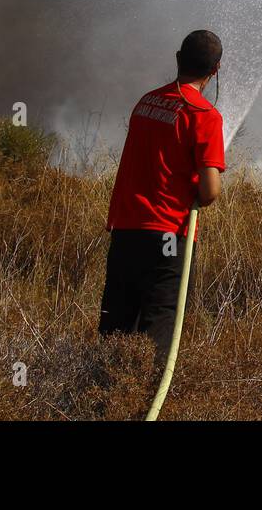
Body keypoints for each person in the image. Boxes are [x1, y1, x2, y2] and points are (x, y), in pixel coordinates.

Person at [98, 30, 225, 356]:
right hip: (168, 236)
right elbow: (210, 192)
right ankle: (138, 402)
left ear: (178, 59)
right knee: (157, 333)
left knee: (115, 329)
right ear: (216, 70)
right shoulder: (204, 116)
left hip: (126, 230)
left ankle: (101, 399)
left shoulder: (145, 103)